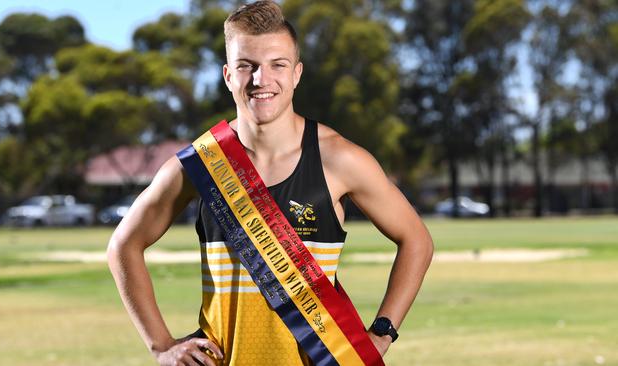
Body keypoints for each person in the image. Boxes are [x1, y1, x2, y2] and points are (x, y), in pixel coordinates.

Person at [107, 1, 434, 365]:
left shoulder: (340, 159)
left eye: (277, 65)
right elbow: (123, 245)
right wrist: (161, 345)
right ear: (229, 76)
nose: (262, 79)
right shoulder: (199, 164)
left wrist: (382, 333)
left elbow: (416, 239)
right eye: (247, 66)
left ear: (296, 73)